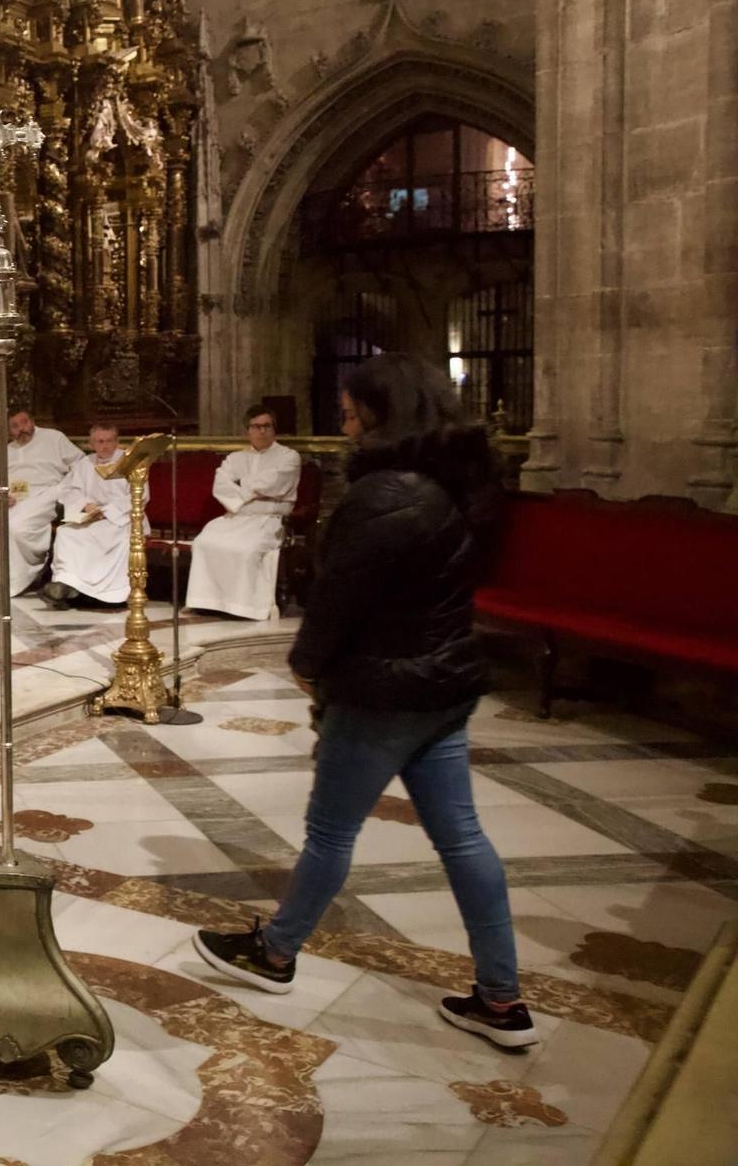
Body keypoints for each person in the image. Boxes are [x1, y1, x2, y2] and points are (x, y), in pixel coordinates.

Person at [193, 356, 535, 1048]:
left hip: (380, 688)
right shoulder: (468, 481)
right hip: (444, 683)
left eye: (349, 415)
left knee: (330, 832)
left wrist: (307, 663)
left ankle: (276, 952)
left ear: (380, 413)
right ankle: (502, 998)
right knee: (463, 835)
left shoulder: (383, 494)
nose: (344, 427)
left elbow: (337, 597)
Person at [185, 405, 303, 620]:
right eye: (256, 426)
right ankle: (208, 602)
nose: (261, 431)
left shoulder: (289, 457)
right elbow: (220, 485)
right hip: (236, 515)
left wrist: (241, 485)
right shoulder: (235, 458)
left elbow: (275, 483)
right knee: (204, 542)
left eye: (266, 426)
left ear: (274, 429)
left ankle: (245, 607)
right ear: (247, 430)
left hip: (268, 519)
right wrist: (254, 491)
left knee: (247, 549)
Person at [0, 409, 81, 592]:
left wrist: (63, 490)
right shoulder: (8, 450)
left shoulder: (54, 438)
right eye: (15, 426)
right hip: (11, 498)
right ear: (9, 431)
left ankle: (29, 574)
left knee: (17, 528)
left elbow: (80, 464)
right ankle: (5, 582)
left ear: (32, 421)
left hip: (45, 494)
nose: (21, 429)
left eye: (24, 422)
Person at [40, 423, 132, 609]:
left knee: (110, 537)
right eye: (100, 441)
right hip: (91, 517)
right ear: (92, 444)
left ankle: (107, 593)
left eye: (109, 441)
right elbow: (70, 491)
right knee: (67, 534)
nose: (105, 446)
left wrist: (106, 512)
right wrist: (86, 505)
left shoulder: (130, 462)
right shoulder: (85, 464)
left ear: (117, 442)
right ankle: (67, 584)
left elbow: (139, 495)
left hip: (121, 519)